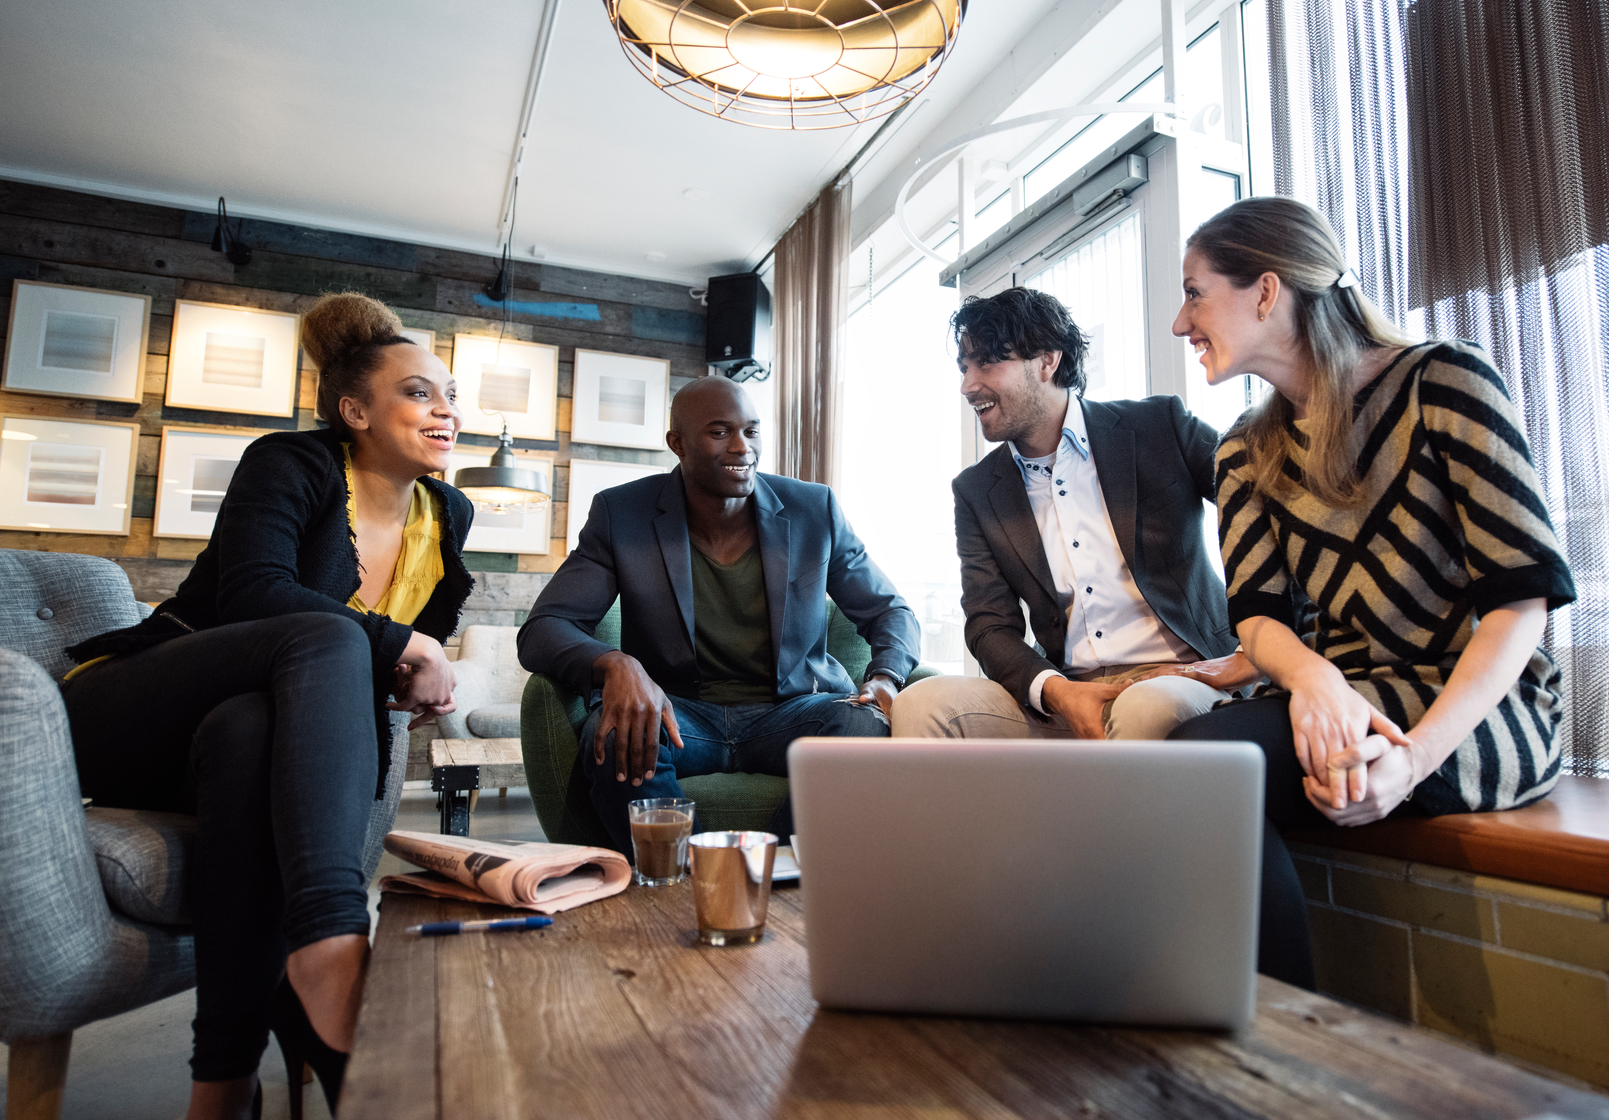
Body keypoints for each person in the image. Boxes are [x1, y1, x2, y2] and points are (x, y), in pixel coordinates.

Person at [60, 293, 474, 1119]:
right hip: (130, 713)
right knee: (322, 636)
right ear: (353, 410)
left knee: (252, 730)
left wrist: (400, 667)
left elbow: (389, 655)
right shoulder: (292, 462)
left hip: (238, 735)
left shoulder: (447, 512)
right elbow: (257, 593)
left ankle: (220, 1085)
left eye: (451, 394)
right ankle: (326, 938)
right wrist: (403, 646)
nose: (447, 410)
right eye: (420, 392)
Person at [1166, 197, 1576, 989]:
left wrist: (1416, 757)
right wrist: (1314, 679)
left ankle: (1290, 1054)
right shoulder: (1243, 451)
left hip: (1481, 705)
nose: (1182, 323)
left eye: (1193, 291)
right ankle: (1272, 1054)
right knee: (1198, 768)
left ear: (1264, 291)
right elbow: (1256, 613)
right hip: (1348, 697)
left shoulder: (1446, 380)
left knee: (1211, 772)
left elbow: (1519, 601)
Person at [518, 375, 920, 855]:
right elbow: (543, 629)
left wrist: (884, 678)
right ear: (677, 443)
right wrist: (616, 664)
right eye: (719, 431)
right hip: (679, 715)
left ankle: (772, 875)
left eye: (751, 431)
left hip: (791, 711)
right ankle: (675, 880)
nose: (741, 447)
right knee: (614, 732)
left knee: (862, 727)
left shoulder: (813, 509)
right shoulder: (623, 514)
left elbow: (890, 610)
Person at [890, 287, 1260, 743]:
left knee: (1144, 708)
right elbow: (989, 625)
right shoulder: (976, 491)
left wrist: (1261, 647)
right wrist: (1057, 691)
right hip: (1067, 693)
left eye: (986, 362)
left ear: (1048, 361)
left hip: (1183, 676)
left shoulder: (1159, 425)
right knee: (922, 704)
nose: (968, 385)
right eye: (964, 367)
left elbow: (1270, 508)